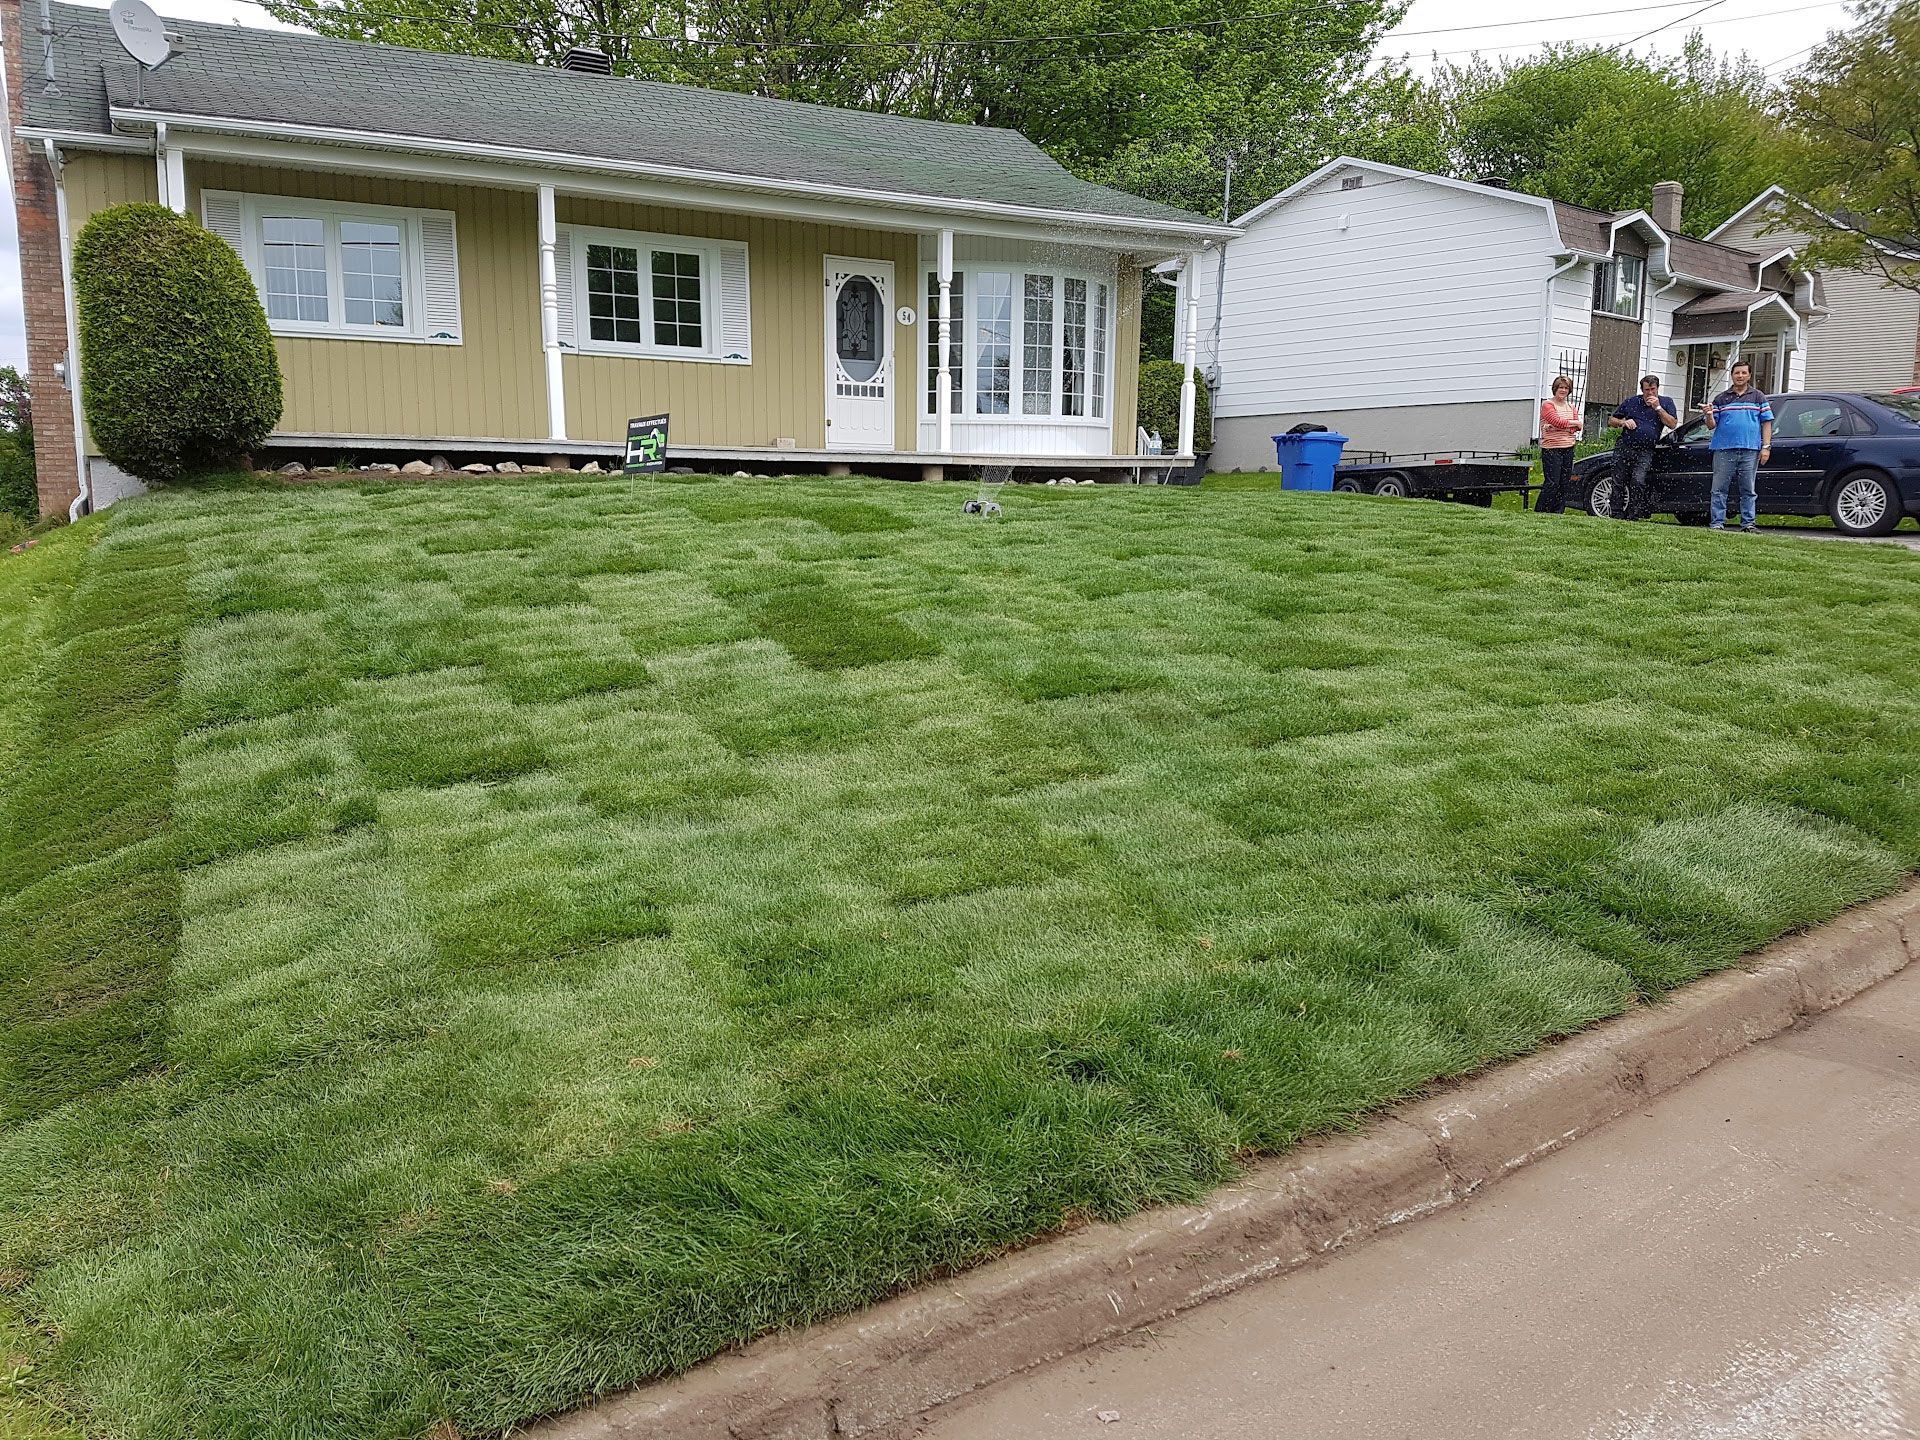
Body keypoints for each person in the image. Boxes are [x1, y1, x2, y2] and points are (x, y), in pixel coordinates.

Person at [1701, 359, 1773, 533]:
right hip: (1724, 449)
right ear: (1732, 375)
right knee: (1718, 489)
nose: (1740, 376)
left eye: (1743, 373)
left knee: (1748, 489)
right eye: (1736, 373)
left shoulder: (1758, 397)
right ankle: (1717, 523)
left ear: (1749, 375)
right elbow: (1711, 425)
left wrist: (1766, 447)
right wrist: (1709, 414)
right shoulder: (1721, 398)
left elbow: (1767, 423)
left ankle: (1748, 524)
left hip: (1750, 449)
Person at [1606, 375, 1678, 521]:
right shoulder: (1632, 402)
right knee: (1618, 480)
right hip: (1625, 446)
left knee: (1638, 480)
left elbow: (1672, 423)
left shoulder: (1666, 402)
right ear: (1642, 390)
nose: (1650, 393)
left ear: (1657, 388)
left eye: (1653, 389)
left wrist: (1657, 408)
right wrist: (1623, 422)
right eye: (1647, 390)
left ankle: (1634, 514)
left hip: (1646, 449)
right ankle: (1616, 513)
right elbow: (1611, 420)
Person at [1536, 376, 1583, 513]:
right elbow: (1557, 421)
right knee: (1552, 482)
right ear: (1555, 389)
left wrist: (1570, 425)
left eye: (1566, 388)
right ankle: (1542, 511)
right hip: (1552, 448)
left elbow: (1577, 428)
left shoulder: (1571, 407)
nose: (1563, 390)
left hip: (1568, 447)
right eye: (1560, 387)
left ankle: (1558, 512)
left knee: (1564, 482)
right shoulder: (1548, 405)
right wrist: (1573, 423)